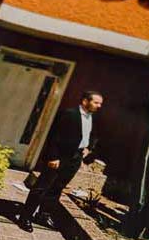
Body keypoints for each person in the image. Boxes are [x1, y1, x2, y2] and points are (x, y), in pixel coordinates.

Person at [18, 90, 103, 232]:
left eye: (100, 103)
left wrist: (88, 148)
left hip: (75, 157)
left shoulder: (91, 118)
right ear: (85, 101)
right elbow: (54, 136)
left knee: (57, 187)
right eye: (96, 102)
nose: (99, 106)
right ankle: (25, 216)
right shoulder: (69, 114)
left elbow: (92, 135)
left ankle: (43, 215)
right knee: (42, 186)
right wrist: (53, 157)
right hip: (59, 157)